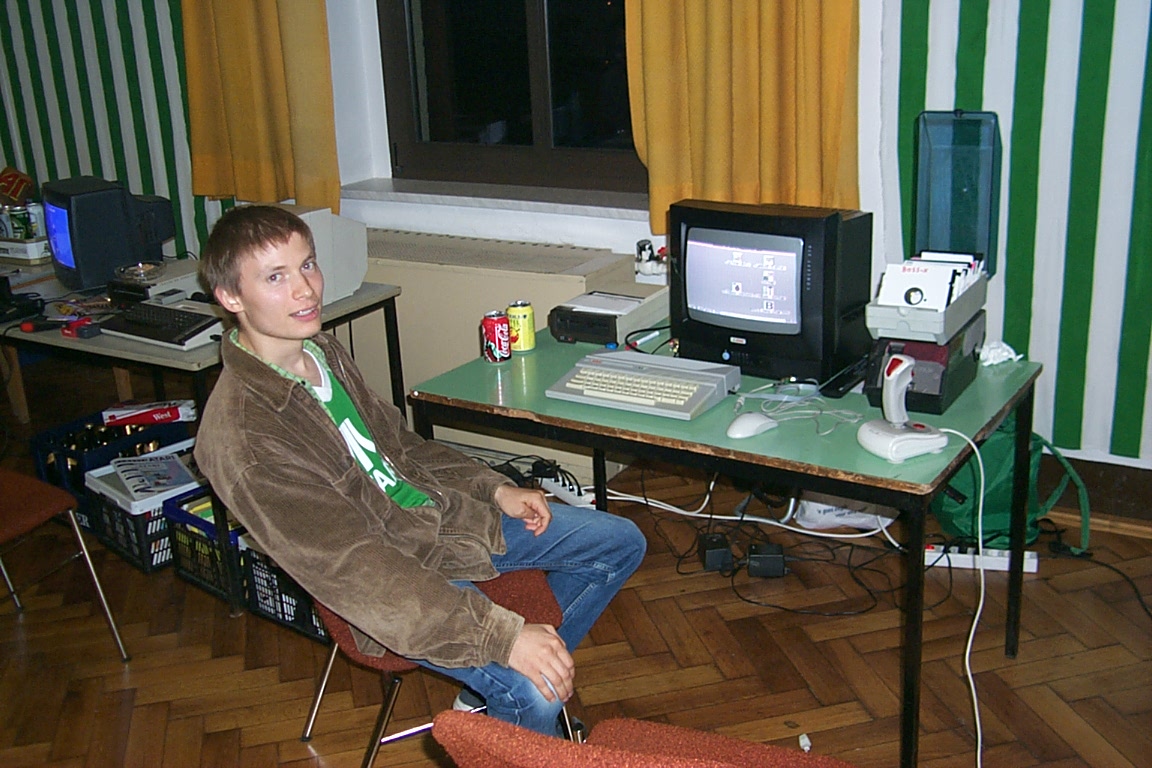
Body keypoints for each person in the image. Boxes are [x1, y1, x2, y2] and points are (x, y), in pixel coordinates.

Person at [193, 205, 646, 736]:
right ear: (230, 297)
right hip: (394, 575)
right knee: (533, 691)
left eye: (307, 264)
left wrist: (493, 489)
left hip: (440, 522)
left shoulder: (319, 350)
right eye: (276, 277)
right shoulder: (246, 441)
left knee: (620, 542)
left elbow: (403, 449)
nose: (306, 289)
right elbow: (355, 569)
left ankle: (488, 698)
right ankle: (512, 705)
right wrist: (502, 637)